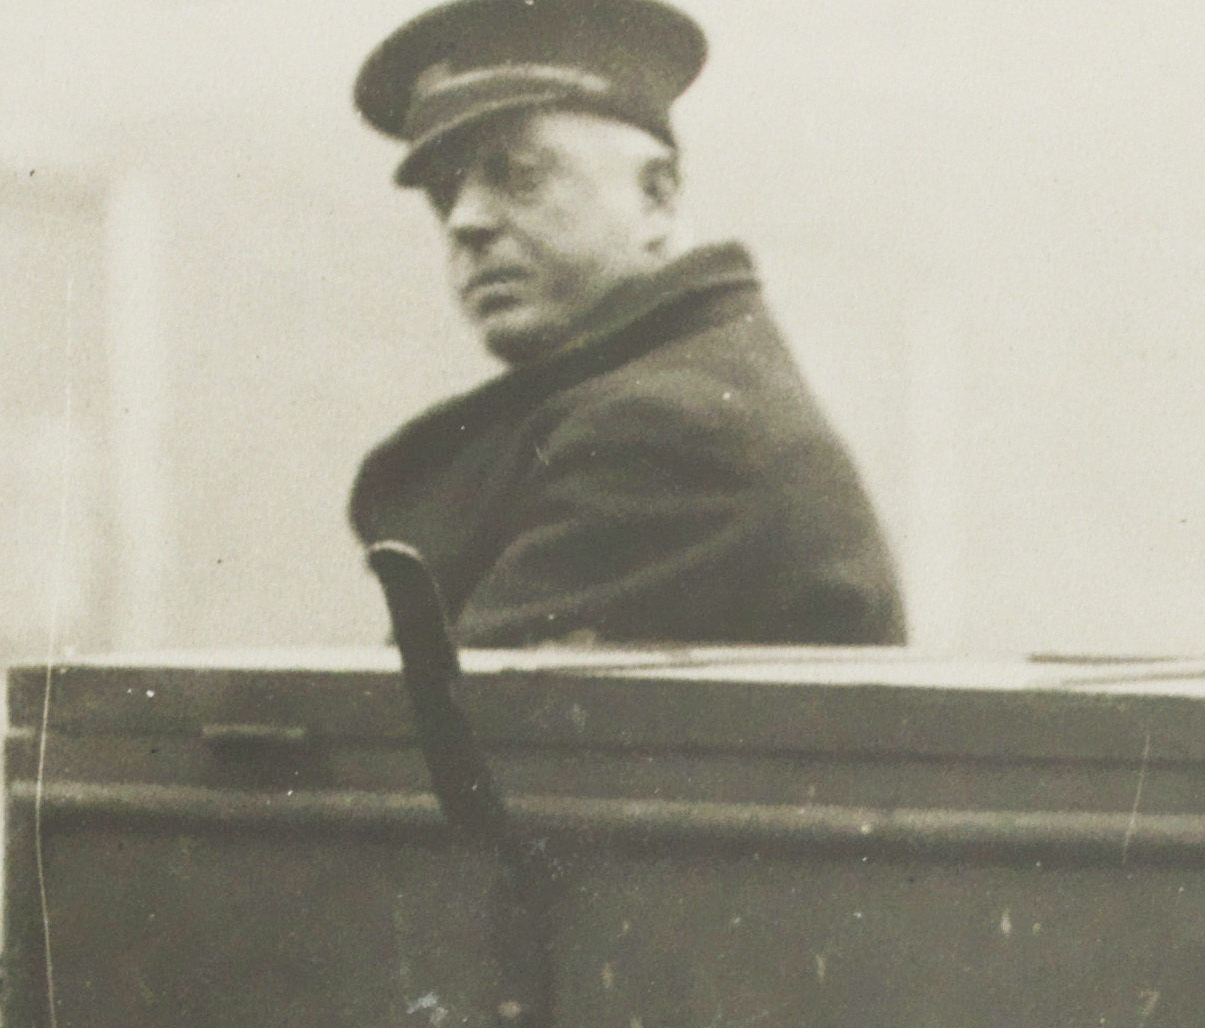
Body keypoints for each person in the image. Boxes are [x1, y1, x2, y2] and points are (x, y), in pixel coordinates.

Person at [346, 0, 907, 650]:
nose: (464, 221)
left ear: (657, 198)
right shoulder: (680, 391)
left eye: (518, 175)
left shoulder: (667, 434)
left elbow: (436, 739)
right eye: (446, 193)